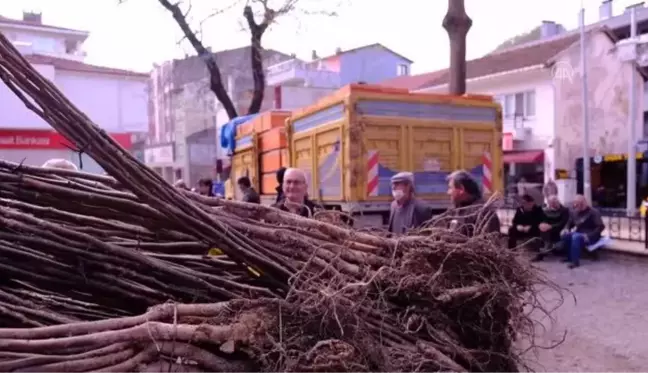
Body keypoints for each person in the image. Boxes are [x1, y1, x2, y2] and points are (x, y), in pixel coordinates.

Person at [440, 170, 500, 236]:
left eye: (450, 188)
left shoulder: (484, 213)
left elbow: (488, 242)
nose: (448, 192)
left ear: (461, 189)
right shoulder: (455, 211)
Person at [561, 195, 605, 269]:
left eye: (578, 204)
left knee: (576, 237)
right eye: (575, 204)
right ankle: (569, 257)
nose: (576, 206)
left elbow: (600, 227)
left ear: (583, 203)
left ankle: (575, 262)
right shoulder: (575, 212)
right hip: (579, 234)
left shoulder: (593, 212)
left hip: (591, 235)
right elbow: (569, 223)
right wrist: (565, 229)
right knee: (566, 235)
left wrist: (589, 235)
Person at [533, 195, 571, 261]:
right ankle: (545, 248)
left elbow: (563, 223)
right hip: (547, 230)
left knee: (544, 232)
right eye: (551, 203)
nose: (553, 204)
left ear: (558, 201)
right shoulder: (546, 210)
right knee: (542, 229)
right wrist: (542, 224)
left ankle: (543, 252)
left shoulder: (564, 210)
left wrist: (551, 226)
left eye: (554, 202)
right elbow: (543, 220)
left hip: (558, 230)